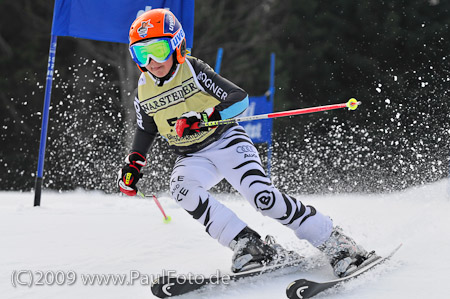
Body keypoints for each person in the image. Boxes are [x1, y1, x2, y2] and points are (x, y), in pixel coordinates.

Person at [117, 8, 377, 277]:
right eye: (141, 53)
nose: (152, 60)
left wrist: (206, 116)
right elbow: (145, 130)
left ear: (177, 44)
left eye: (158, 49)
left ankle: (337, 243)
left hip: (226, 141)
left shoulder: (192, 70)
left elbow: (238, 99)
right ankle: (249, 244)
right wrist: (133, 164)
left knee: (262, 198)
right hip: (192, 156)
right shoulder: (143, 90)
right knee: (181, 189)